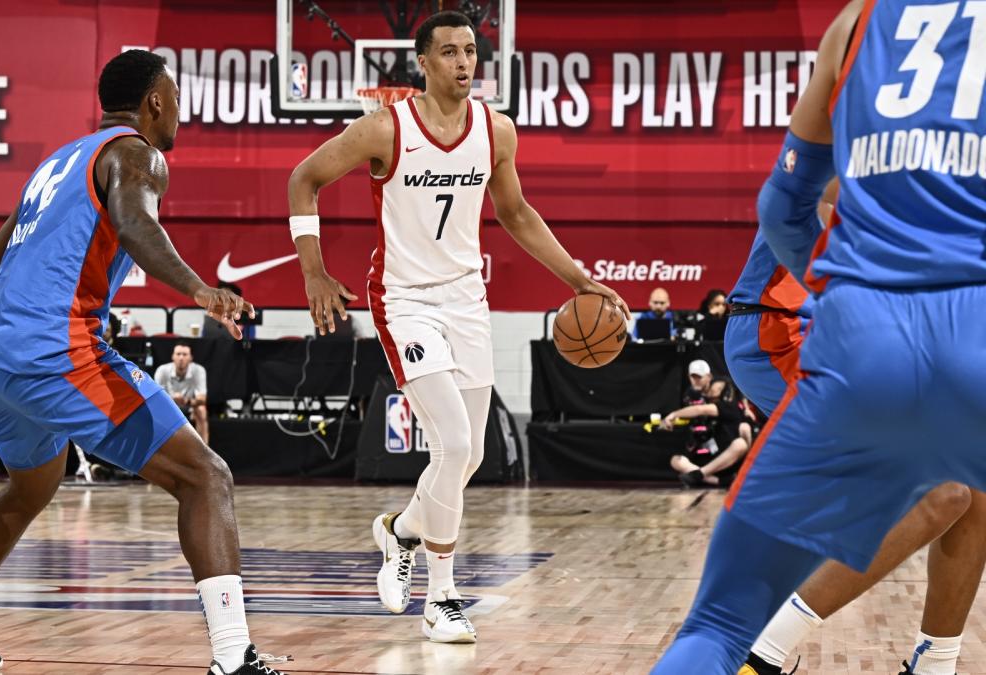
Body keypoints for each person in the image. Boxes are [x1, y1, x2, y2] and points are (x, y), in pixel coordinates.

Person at [0, 50, 285, 675]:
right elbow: (136, 224)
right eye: (177, 98)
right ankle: (232, 657)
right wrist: (200, 289)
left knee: (29, 490)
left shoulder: (55, 164)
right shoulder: (138, 155)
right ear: (155, 101)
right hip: (56, 352)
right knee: (206, 477)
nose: (180, 111)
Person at [653, 2, 986, 673]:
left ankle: (936, 658)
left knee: (968, 494)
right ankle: (769, 648)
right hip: (774, 322)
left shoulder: (861, 29)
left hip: (861, 327)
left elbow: (788, 199)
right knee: (942, 492)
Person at [286, 10, 628, 645]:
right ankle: (441, 596)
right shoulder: (386, 127)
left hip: (467, 300)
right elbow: (302, 180)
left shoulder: (496, 131)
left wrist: (578, 280)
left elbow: (517, 213)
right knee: (451, 445)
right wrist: (312, 271)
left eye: (471, 51)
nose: (464, 62)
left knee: (469, 453)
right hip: (404, 298)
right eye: (449, 52)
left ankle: (400, 531)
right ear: (422, 61)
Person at [665, 377, 751, 488]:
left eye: (719, 388)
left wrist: (673, 414)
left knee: (741, 444)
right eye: (714, 386)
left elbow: (701, 409)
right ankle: (718, 481)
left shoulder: (727, 406)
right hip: (706, 456)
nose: (714, 389)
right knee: (675, 460)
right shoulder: (700, 405)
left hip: (725, 459)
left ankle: (699, 474)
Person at [154, 343, 209, 444]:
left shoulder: (199, 370)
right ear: (173, 356)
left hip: (189, 406)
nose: (181, 358)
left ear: (191, 357)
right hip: (168, 406)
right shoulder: (162, 370)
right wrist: (171, 400)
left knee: (202, 410)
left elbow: (202, 399)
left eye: (185, 354)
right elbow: (156, 399)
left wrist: (186, 401)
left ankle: (204, 450)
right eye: (178, 354)